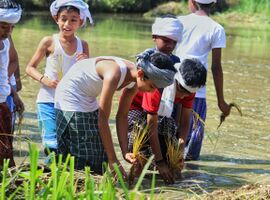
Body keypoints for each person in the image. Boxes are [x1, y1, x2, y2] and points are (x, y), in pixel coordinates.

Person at [54, 50, 177, 176]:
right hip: (70, 98)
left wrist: (124, 152)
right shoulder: (114, 74)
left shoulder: (134, 80)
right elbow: (103, 120)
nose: (151, 92)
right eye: (151, 86)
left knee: (99, 157)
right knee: (84, 157)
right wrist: (113, 160)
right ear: (141, 74)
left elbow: (122, 116)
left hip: (88, 99)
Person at [121, 58, 206, 183]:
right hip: (136, 109)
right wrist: (160, 162)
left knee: (170, 150)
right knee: (141, 148)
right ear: (175, 80)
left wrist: (179, 153)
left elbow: (184, 122)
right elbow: (151, 126)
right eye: (182, 91)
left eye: (188, 94)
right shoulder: (159, 85)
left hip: (159, 114)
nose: (183, 97)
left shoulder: (188, 89)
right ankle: (136, 178)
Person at [26, 0, 92, 156]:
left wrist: (86, 64)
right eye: (63, 19)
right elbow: (30, 67)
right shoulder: (49, 41)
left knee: (68, 145)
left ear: (80, 22)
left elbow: (88, 78)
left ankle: (62, 176)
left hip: (71, 103)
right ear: (56, 18)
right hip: (47, 100)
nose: (67, 24)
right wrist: (44, 79)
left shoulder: (83, 45)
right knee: (51, 143)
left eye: (73, 20)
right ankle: (51, 174)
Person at [174, 0, 231, 160]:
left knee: (170, 135)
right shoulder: (216, 29)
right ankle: (190, 179)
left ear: (192, 2)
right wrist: (221, 101)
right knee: (191, 148)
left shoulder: (179, 21)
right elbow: (216, 67)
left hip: (174, 87)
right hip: (196, 91)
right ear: (213, 3)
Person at [0, 0, 24, 168]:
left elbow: (11, 63)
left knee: (6, 149)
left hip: (3, 102)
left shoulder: (6, 41)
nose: (8, 31)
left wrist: (14, 94)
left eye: (12, 28)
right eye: (4, 27)